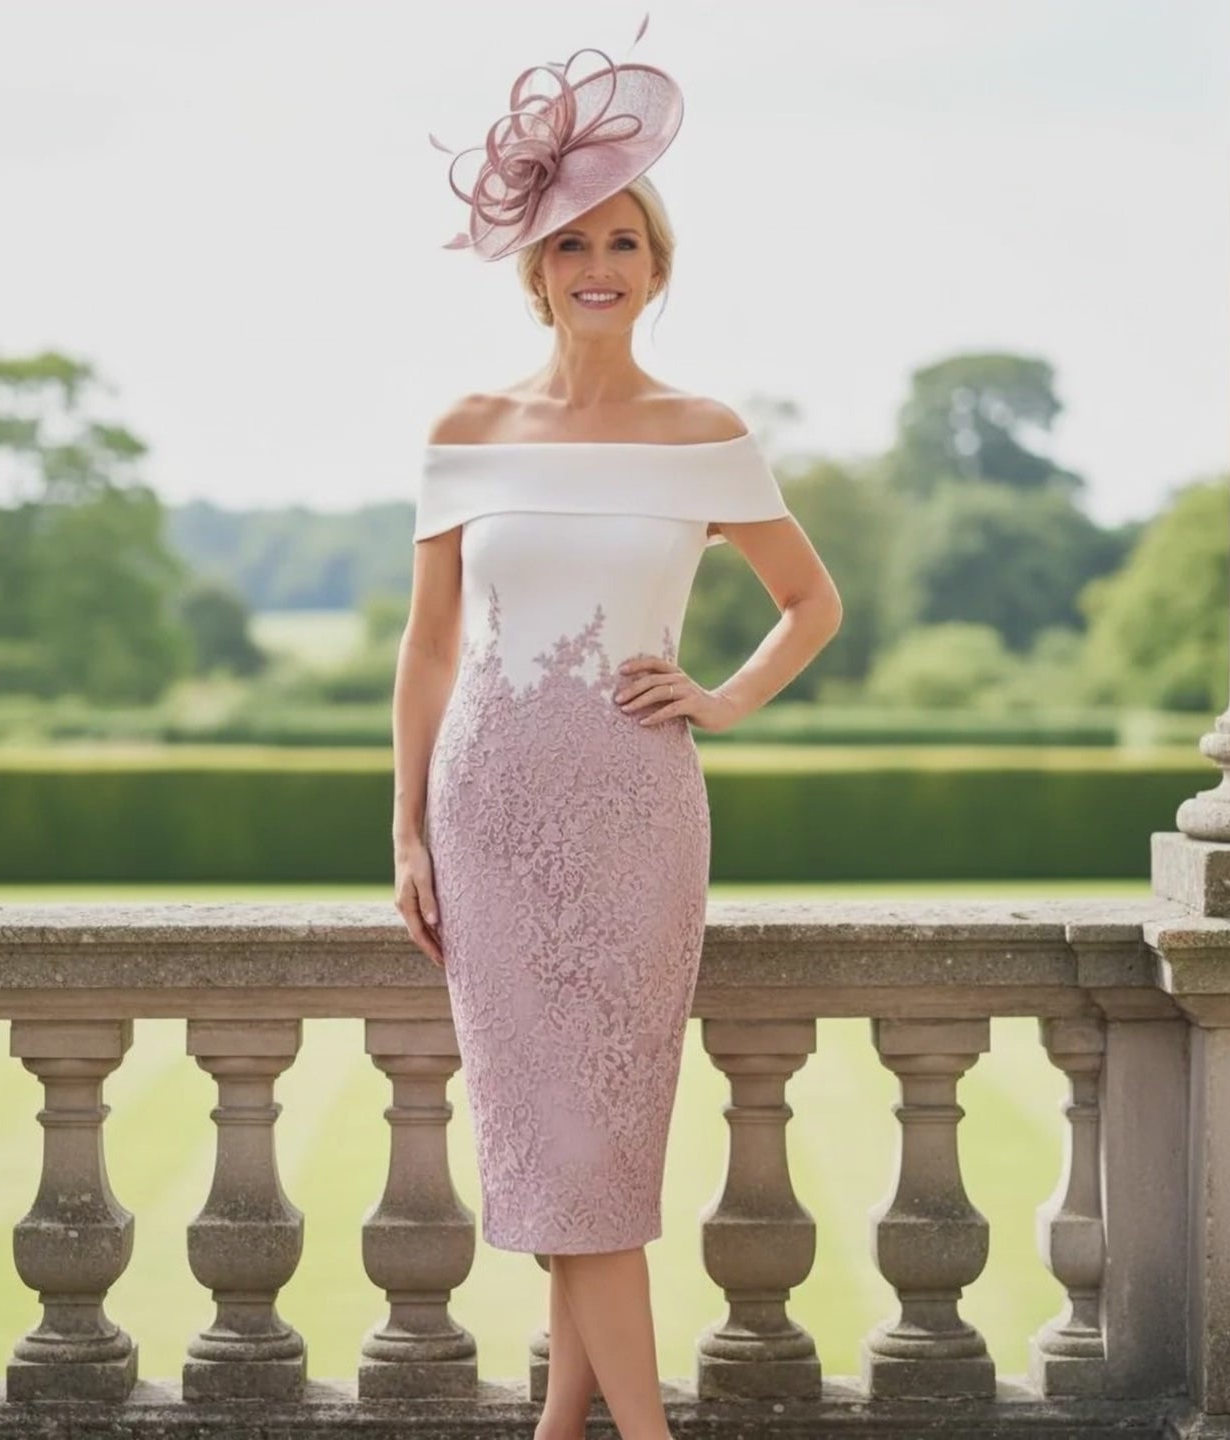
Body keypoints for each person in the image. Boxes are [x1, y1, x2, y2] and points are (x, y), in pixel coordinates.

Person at [392, 16, 842, 1440]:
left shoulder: (708, 431)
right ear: (539, 265)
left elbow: (809, 603)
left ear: (657, 270)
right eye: (578, 244)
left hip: (638, 811)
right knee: (545, 1137)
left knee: (598, 1142)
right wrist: (404, 828)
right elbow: (430, 642)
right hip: (488, 810)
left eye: (627, 247)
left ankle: (598, 1429)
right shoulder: (465, 426)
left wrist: (718, 701)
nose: (601, 270)